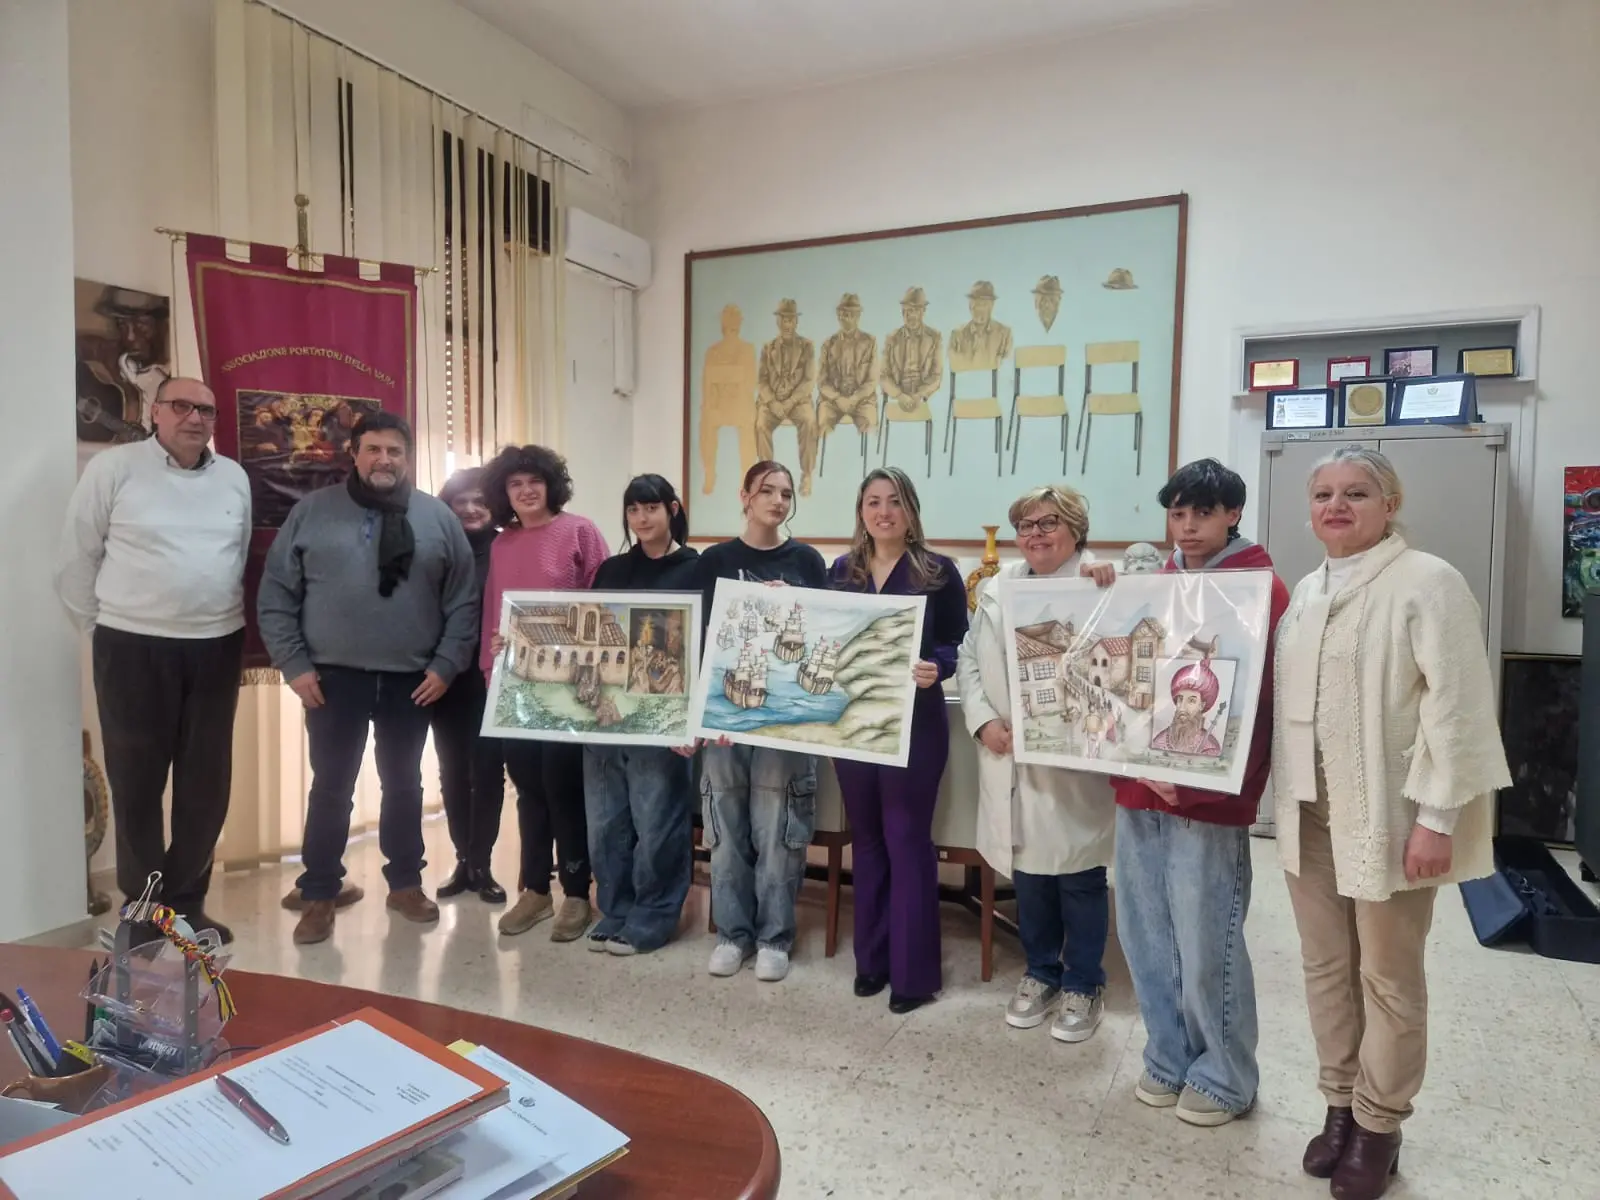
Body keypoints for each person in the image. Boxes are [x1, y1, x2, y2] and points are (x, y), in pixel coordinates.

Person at [1272, 446, 1508, 1199]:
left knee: (1389, 976)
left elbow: (1458, 709)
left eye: (1356, 492)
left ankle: (1379, 1124)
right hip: (1309, 812)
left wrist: (1437, 818)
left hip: (1389, 815)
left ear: (1390, 502)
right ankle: (1338, 1103)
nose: (1336, 506)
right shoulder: (1308, 590)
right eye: (1323, 494)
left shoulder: (1427, 582)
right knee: (1325, 969)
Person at [1110, 458, 1289, 1128]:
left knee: (1206, 931)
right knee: (1145, 932)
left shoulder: (1264, 590)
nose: (1187, 527)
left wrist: (1214, 781)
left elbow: (1261, 706)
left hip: (1206, 799)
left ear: (1233, 514)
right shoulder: (1154, 582)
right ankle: (1167, 1056)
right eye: (1178, 513)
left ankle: (1225, 1074)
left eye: (1202, 513)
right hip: (1139, 789)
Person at [258, 412, 478, 946]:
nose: (384, 460)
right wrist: (294, 665)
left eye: (395, 451)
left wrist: (446, 665)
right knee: (330, 789)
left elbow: (464, 600)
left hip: (413, 680)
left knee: (404, 785)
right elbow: (276, 595)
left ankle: (405, 885)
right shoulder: (312, 512)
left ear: (408, 457)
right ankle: (318, 892)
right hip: (331, 680)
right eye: (374, 449)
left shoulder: (437, 518)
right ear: (354, 454)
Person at [56, 377, 250, 942]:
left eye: (206, 409)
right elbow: (76, 559)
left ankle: (187, 902)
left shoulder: (234, 477)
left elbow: (233, 557)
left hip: (216, 645)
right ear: (155, 411)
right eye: (182, 406)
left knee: (206, 783)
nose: (195, 417)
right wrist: (105, 628)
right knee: (137, 782)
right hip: (132, 647)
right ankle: (143, 912)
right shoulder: (114, 470)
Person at [956, 485, 1116, 1042]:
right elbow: (968, 658)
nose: (1035, 534)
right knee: (1030, 876)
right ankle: (1041, 971)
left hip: (1072, 762)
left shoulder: (1100, 580)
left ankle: (1084, 982)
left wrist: (1110, 580)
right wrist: (982, 721)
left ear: (1076, 528)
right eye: (1026, 525)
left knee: (1077, 874)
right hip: (1010, 751)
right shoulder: (998, 589)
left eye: (1049, 523)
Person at [828, 468, 967, 1012]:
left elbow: (958, 642)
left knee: (908, 840)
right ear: (860, 511)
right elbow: (820, 632)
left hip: (916, 724)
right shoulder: (840, 572)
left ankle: (913, 976)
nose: (882, 512)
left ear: (909, 511)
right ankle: (872, 962)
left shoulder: (939, 572)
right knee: (866, 840)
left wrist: (938, 664)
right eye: (872, 502)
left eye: (893, 502)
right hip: (855, 724)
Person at [698, 460, 828, 982]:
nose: (778, 501)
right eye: (767, 491)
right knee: (725, 826)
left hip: (783, 719)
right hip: (723, 716)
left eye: (786, 493)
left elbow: (820, 633)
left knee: (777, 827)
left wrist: (789, 607)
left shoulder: (808, 561)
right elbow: (701, 637)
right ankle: (732, 933)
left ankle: (775, 936)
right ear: (745, 496)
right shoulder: (715, 560)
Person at [480, 444, 611, 943]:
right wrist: (491, 667)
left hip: (571, 685)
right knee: (528, 788)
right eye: (515, 484)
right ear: (504, 493)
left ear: (550, 484)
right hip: (516, 686)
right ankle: (536, 890)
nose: (526, 491)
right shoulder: (501, 544)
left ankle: (577, 892)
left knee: (564, 788)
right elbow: (496, 611)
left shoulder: (579, 531)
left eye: (534, 481)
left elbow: (606, 606)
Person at [584, 474, 701, 956]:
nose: (642, 518)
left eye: (651, 508)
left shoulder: (697, 568)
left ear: (672, 509)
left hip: (662, 716)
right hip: (604, 715)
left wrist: (692, 718)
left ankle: (654, 915)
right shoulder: (611, 570)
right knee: (606, 819)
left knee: (658, 820)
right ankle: (616, 908)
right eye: (633, 509)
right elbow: (586, 636)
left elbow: (706, 646)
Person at [431, 468, 506, 904]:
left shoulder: (507, 545)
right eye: (462, 501)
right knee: (452, 771)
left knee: (488, 773)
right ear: (449, 504)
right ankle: (463, 860)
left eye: (480, 500)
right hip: (447, 678)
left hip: (492, 679)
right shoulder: (438, 546)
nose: (472, 508)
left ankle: (484, 863)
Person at [755, 300, 818, 496]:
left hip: (797, 401)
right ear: (778, 322)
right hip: (773, 402)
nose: (787, 324)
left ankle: (806, 474)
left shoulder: (807, 346)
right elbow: (761, 381)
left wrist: (791, 401)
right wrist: (773, 402)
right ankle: (766, 474)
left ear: (796, 322)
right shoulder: (768, 348)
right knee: (760, 424)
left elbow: (809, 381)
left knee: (809, 420)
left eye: (790, 320)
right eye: (783, 320)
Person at [699, 304, 758, 494]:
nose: (730, 325)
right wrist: (730, 378)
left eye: (734, 321)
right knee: (706, 421)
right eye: (727, 320)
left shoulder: (747, 349)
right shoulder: (712, 351)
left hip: (739, 404)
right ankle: (709, 473)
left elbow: (749, 381)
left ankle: (747, 476)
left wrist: (724, 377)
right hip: (719, 404)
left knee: (748, 423)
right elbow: (708, 383)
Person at [816, 293, 878, 438]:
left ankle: (868, 459)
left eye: (851, 314)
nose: (846, 318)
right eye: (843, 314)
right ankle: (826, 459)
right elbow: (822, 381)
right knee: (822, 422)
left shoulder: (870, 342)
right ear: (838, 315)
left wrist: (854, 399)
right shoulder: (828, 344)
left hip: (862, 401)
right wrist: (838, 398)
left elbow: (872, 380)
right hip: (833, 402)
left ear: (858, 316)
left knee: (870, 426)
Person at [881, 287, 942, 415]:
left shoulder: (934, 337)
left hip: (921, 397)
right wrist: (899, 395)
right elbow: (883, 376)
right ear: (902, 312)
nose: (911, 316)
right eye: (907, 311)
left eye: (915, 310)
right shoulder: (892, 338)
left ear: (923, 312)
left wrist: (919, 395)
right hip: (898, 396)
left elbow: (936, 377)